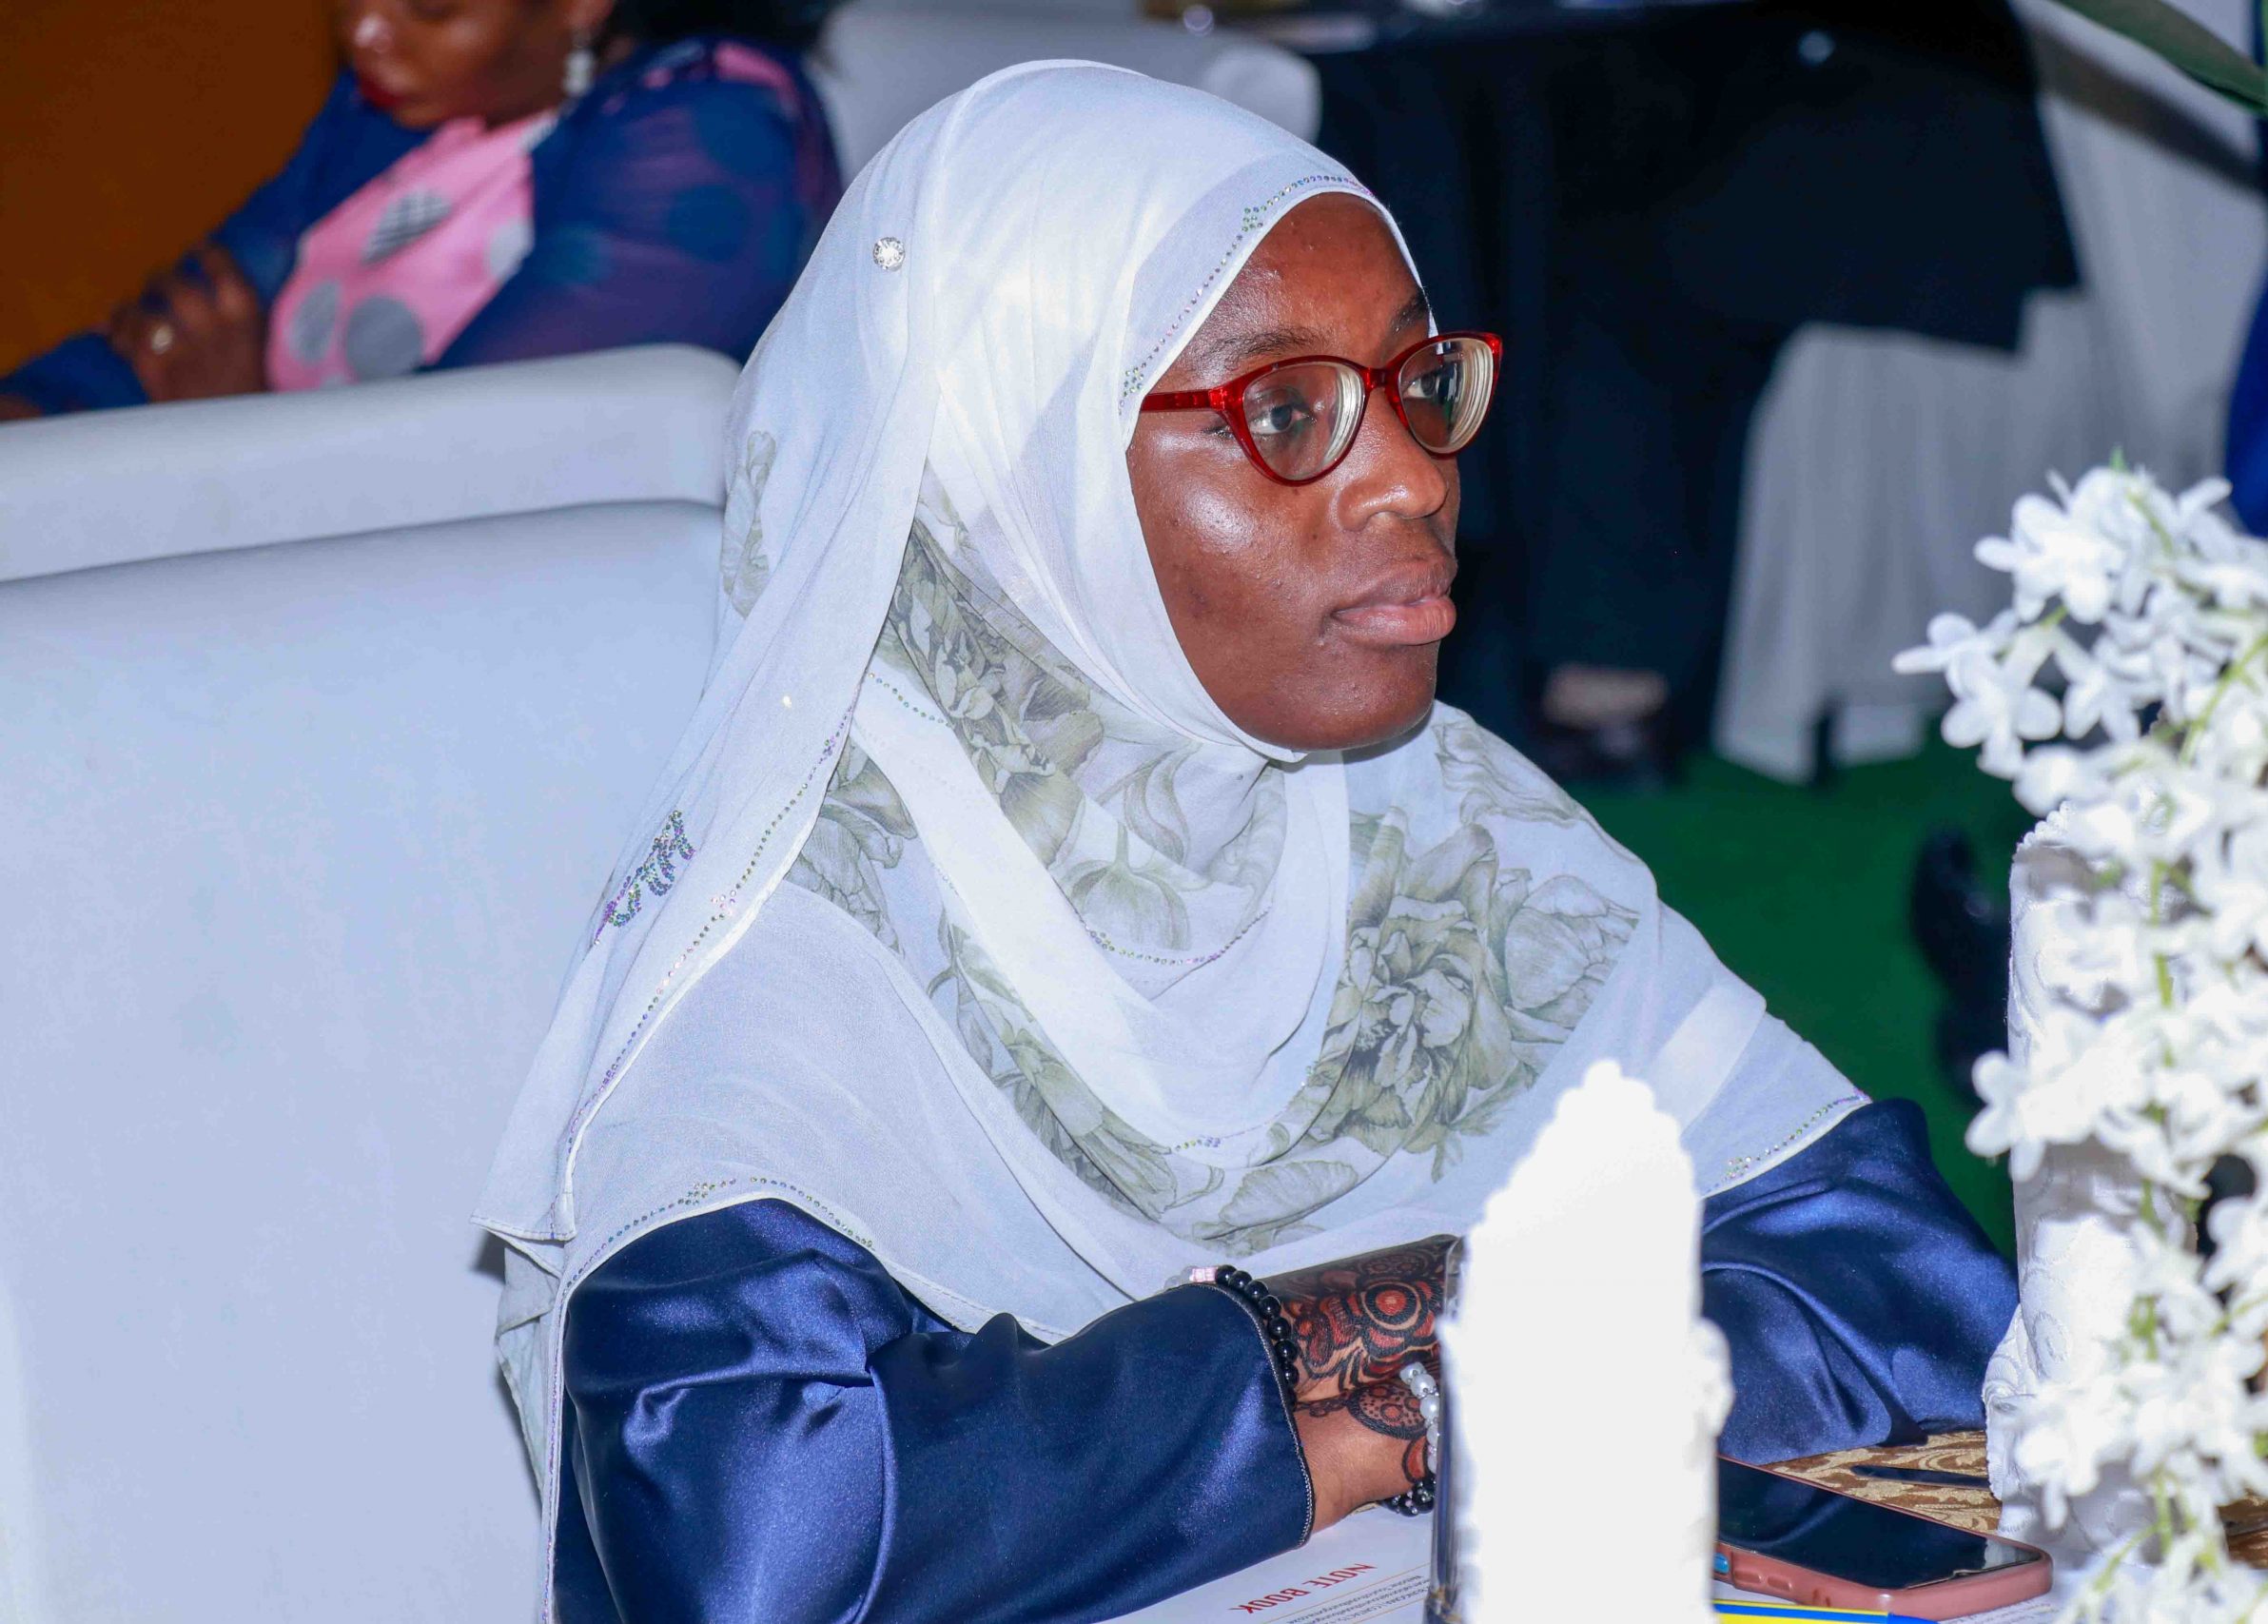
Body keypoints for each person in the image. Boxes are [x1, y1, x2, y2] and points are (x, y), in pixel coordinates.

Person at [474, 64, 2018, 1623]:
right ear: (1019, 484)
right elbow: (767, 1555)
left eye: (1419, 383)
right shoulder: (810, 949)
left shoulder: (1439, 826)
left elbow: (1917, 1307)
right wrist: (1407, 1354)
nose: (1414, 476)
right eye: (1286, 414)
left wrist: (1294, 1401)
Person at [0, 0, 839, 421]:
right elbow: (186, 322)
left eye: (430, 4)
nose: (362, 29)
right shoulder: (401, 103)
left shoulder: (711, 139)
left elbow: (482, 473)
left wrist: (231, 424)